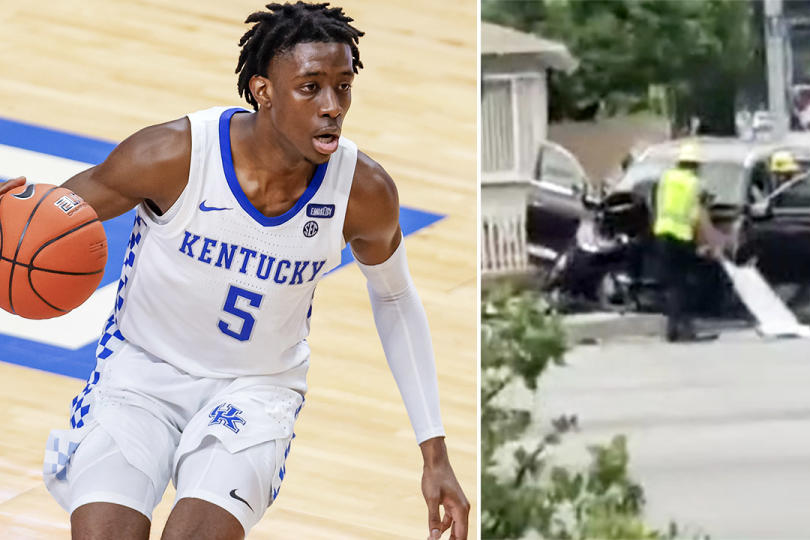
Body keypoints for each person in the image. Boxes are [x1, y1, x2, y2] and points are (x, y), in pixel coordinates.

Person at [0, 3, 469, 539]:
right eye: (310, 87)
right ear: (263, 89)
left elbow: (395, 300)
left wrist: (434, 452)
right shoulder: (172, 154)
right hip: (139, 378)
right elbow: (45, 223)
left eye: (343, 87)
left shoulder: (363, 192)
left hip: (254, 391)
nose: (332, 106)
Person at [654, 144, 721, 342]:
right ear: (695, 165)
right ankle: (685, 329)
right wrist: (705, 245)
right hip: (682, 237)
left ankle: (672, 329)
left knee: (673, 283)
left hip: (662, 233)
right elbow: (696, 218)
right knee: (685, 284)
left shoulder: (666, 178)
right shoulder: (694, 184)